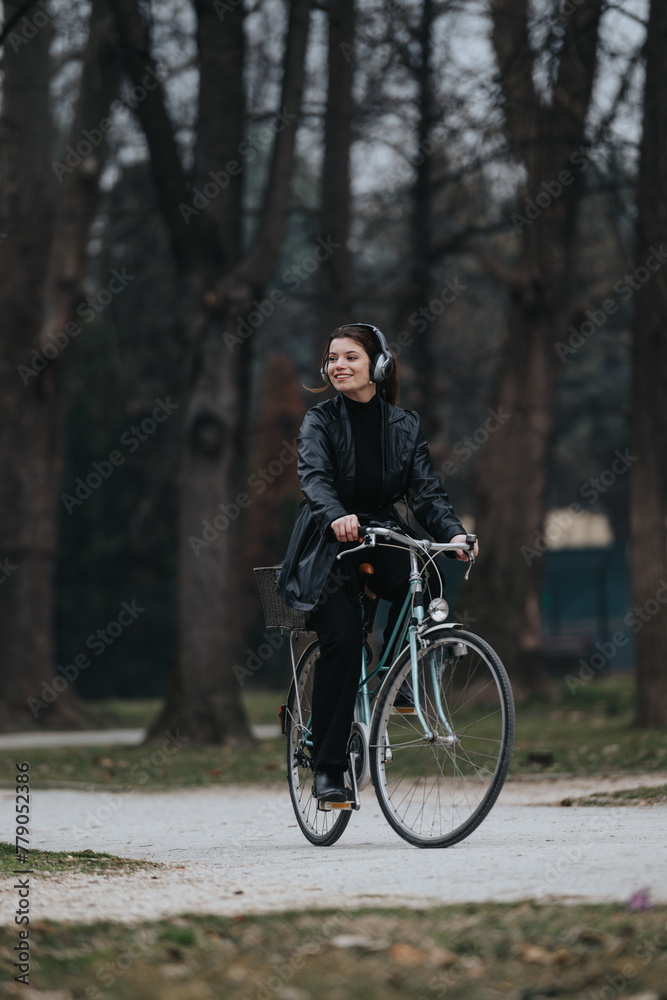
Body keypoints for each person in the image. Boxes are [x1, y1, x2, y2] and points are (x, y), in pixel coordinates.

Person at [275, 323, 478, 803]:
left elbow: (426, 493)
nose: (338, 366)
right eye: (332, 358)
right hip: (329, 544)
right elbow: (315, 478)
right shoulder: (319, 421)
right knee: (343, 641)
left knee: (425, 577)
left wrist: (452, 532)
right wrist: (336, 515)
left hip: (381, 532)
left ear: (378, 366)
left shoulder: (405, 425)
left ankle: (399, 675)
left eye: (351, 357)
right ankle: (327, 772)